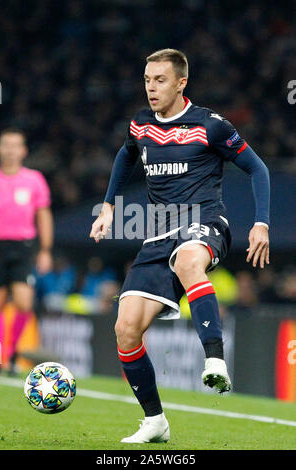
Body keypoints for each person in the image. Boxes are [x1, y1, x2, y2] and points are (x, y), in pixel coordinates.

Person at [90, 49, 270, 443]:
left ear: (181, 82)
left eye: (160, 80)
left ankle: (215, 359)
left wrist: (261, 223)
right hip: (157, 233)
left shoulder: (211, 126)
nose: (151, 88)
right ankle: (155, 420)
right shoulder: (140, 124)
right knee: (125, 330)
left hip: (206, 223)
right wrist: (107, 207)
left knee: (189, 260)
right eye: (147, 80)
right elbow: (126, 156)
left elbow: (258, 168)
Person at [0, 128, 53, 373]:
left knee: (24, 302)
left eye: (15, 145)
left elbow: (44, 215)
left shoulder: (34, 179)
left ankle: (11, 352)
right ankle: (0, 357)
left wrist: (45, 250)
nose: (10, 150)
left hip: (23, 247)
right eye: (6, 144)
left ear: (23, 151)